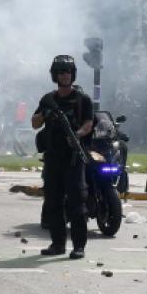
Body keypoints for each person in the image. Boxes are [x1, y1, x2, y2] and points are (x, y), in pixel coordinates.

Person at [31, 55, 93, 259]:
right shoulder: (48, 99)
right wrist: (46, 113)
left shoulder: (82, 99)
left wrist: (78, 134)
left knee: (77, 203)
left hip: (74, 158)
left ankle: (79, 246)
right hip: (53, 158)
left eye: (68, 72)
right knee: (53, 202)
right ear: (55, 75)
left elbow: (88, 123)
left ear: (73, 74)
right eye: (61, 72)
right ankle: (57, 244)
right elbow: (35, 123)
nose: (65, 75)